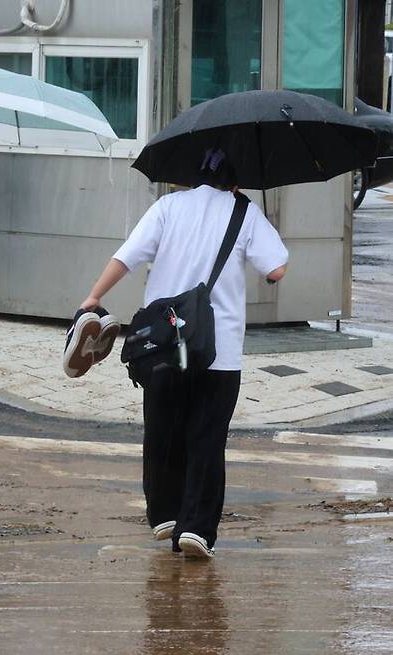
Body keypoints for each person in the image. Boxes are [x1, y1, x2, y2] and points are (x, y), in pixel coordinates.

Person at [77, 151, 288, 560]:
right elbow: (275, 269)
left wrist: (94, 297)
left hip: (163, 347)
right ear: (235, 178)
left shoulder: (168, 206)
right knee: (207, 439)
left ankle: (164, 515)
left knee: (162, 432)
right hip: (217, 351)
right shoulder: (245, 212)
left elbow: (128, 257)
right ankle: (197, 529)